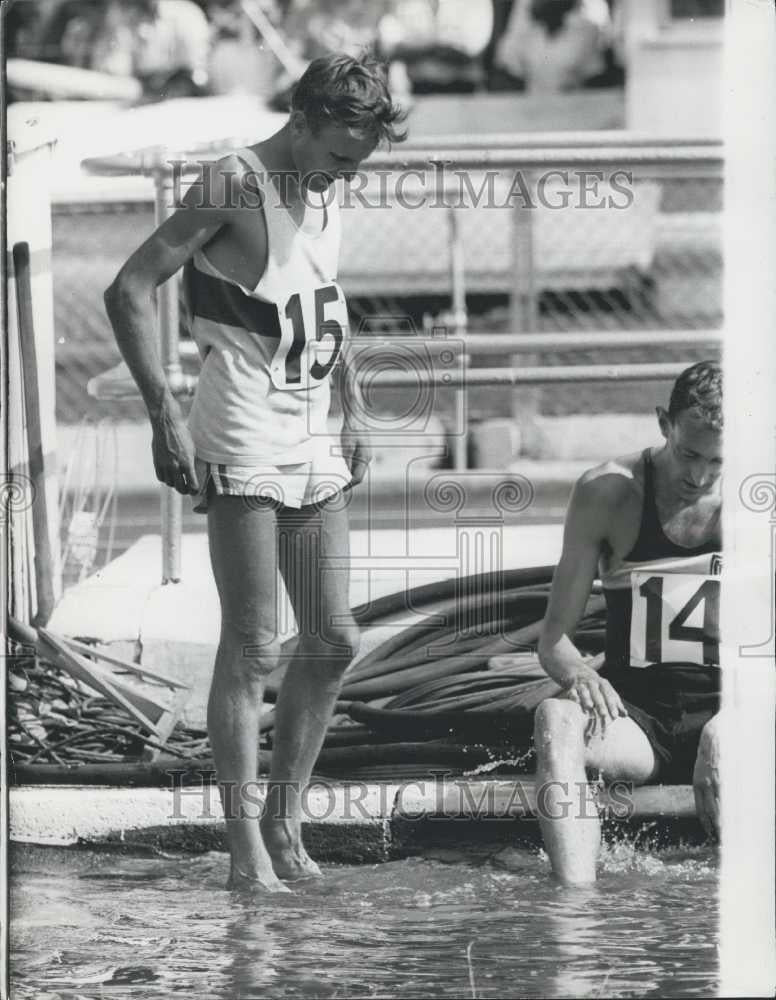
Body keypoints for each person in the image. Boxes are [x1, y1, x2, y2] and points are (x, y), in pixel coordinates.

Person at [104, 53, 407, 891]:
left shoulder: (327, 183)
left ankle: (285, 822)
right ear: (302, 120)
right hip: (240, 427)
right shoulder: (233, 184)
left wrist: (351, 405)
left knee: (334, 639)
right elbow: (129, 288)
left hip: (311, 430)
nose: (347, 174)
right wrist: (163, 412)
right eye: (341, 156)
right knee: (251, 645)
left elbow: (322, 295)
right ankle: (245, 852)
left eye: (359, 163)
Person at [534, 361, 723, 885]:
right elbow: (553, 640)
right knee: (556, 719)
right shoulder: (607, 492)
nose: (699, 477)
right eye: (689, 455)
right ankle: (576, 907)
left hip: (734, 712)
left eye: (718, 462)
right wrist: (579, 674)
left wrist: (734, 721)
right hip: (639, 719)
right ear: (664, 424)